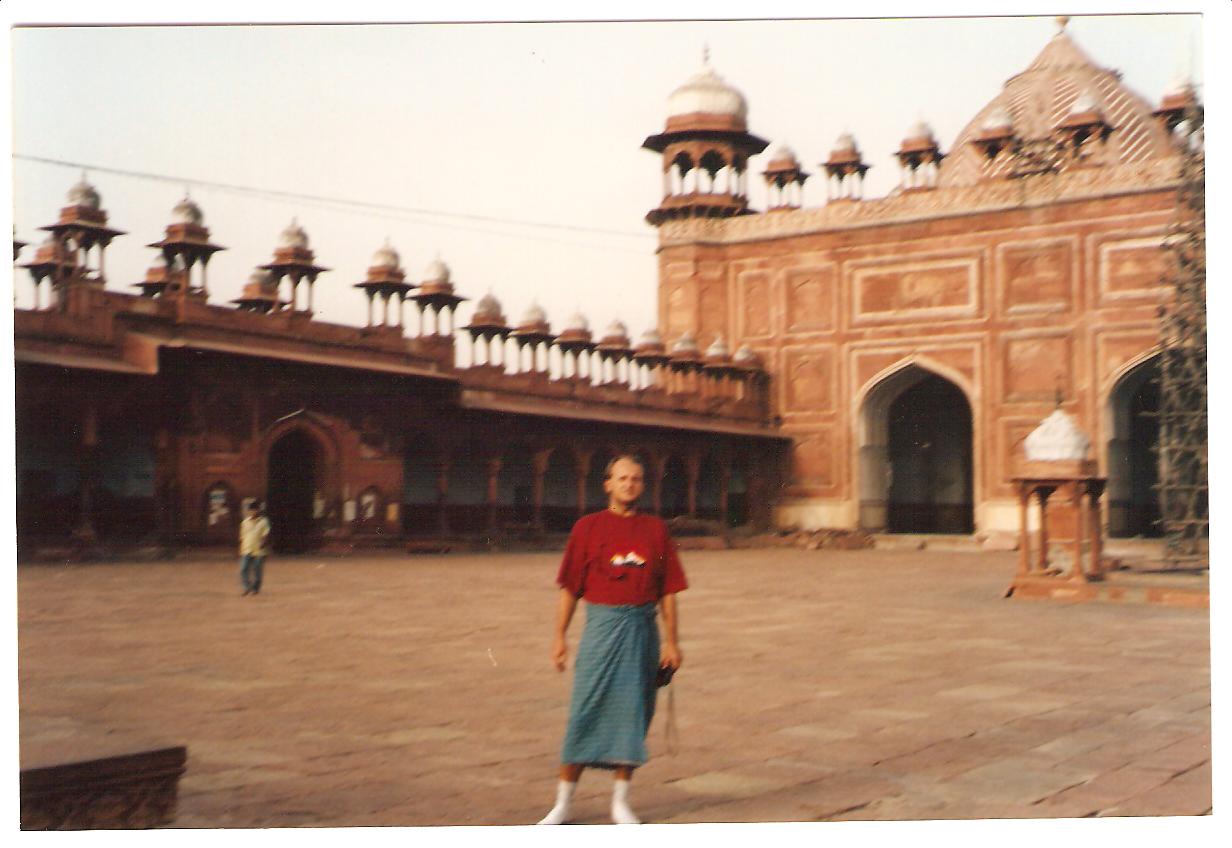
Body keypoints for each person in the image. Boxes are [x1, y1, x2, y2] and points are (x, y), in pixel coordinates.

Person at [537, 454, 687, 826]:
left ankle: (620, 802)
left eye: (636, 479)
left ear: (642, 485)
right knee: (585, 710)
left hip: (641, 630)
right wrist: (559, 637)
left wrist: (671, 641)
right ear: (607, 483)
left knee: (633, 714)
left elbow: (668, 591)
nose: (629, 484)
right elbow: (570, 588)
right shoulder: (587, 528)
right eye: (622, 478)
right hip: (601, 631)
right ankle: (563, 803)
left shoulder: (655, 530)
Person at [238, 499, 271, 596]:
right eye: (251, 510)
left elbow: (266, 534)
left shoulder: (263, 522)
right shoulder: (245, 522)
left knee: (257, 570)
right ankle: (246, 587)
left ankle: (255, 588)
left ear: (258, 510)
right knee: (243, 569)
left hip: (259, 550)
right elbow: (242, 536)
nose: (252, 512)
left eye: (254, 510)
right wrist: (241, 548)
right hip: (247, 549)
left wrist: (263, 543)